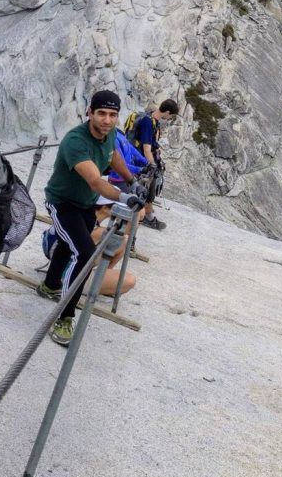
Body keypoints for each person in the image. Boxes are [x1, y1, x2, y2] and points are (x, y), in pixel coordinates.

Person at [37, 90, 144, 346]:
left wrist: (132, 180)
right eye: (102, 114)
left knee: (69, 244)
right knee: (83, 253)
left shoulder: (108, 136)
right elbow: (96, 181)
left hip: (84, 204)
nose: (107, 120)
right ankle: (64, 317)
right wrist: (125, 196)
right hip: (61, 203)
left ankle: (50, 285)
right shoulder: (76, 141)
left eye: (113, 115)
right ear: (90, 113)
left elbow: (113, 156)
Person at [126, 99, 179, 231]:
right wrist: (153, 165)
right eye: (170, 116)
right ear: (167, 112)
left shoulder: (152, 119)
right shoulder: (148, 123)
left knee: (149, 189)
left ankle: (147, 215)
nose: (169, 118)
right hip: (143, 160)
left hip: (145, 159)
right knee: (148, 190)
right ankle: (147, 218)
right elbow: (146, 148)